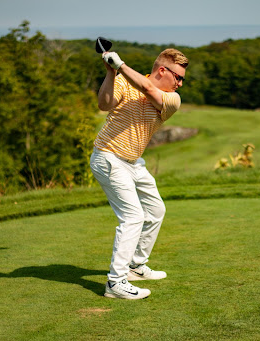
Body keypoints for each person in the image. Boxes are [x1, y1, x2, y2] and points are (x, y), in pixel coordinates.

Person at [90, 48, 189, 299]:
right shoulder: (124, 80)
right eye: (178, 77)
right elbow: (104, 104)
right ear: (162, 70)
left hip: (134, 162)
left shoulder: (172, 100)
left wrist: (121, 65)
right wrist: (111, 73)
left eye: (183, 80)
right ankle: (116, 282)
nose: (180, 83)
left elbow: (147, 89)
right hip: (109, 156)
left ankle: (135, 266)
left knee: (156, 210)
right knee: (133, 217)